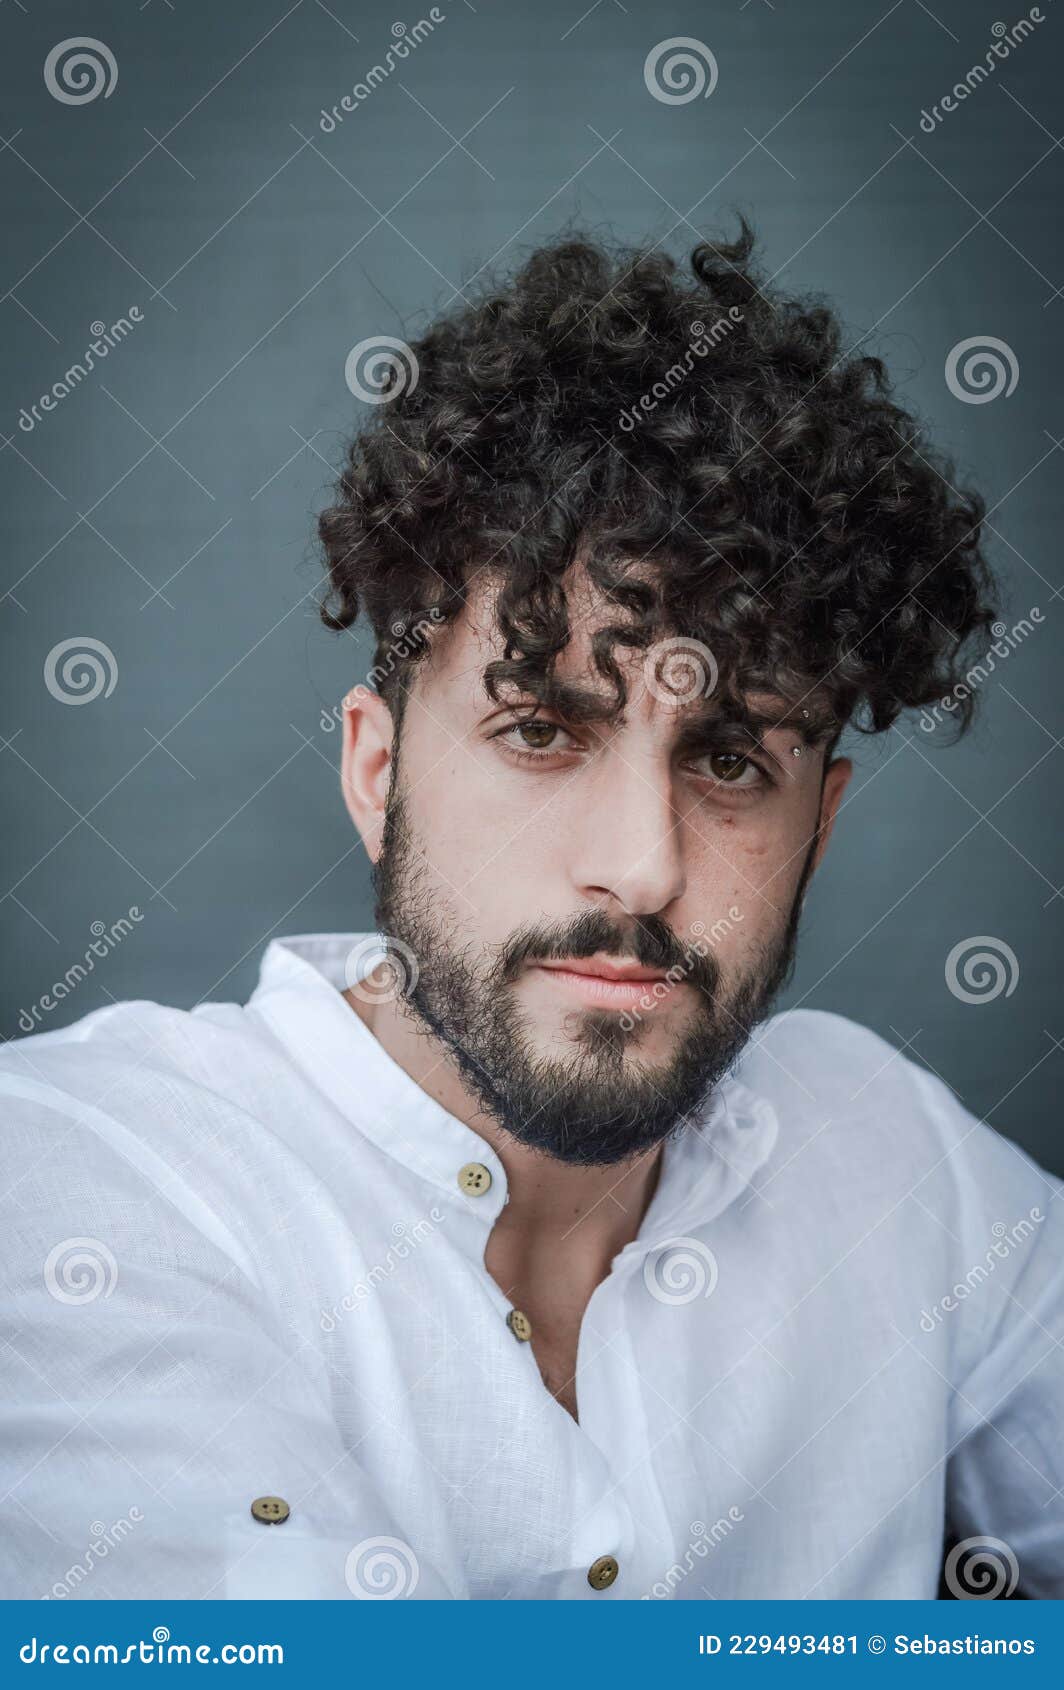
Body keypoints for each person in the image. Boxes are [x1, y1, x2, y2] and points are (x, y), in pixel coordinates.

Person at [2, 223, 1060, 1602]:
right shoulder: (74, 1178)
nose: (643, 869)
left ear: (823, 824)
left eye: (730, 760)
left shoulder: (896, 1160)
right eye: (543, 730)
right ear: (376, 775)